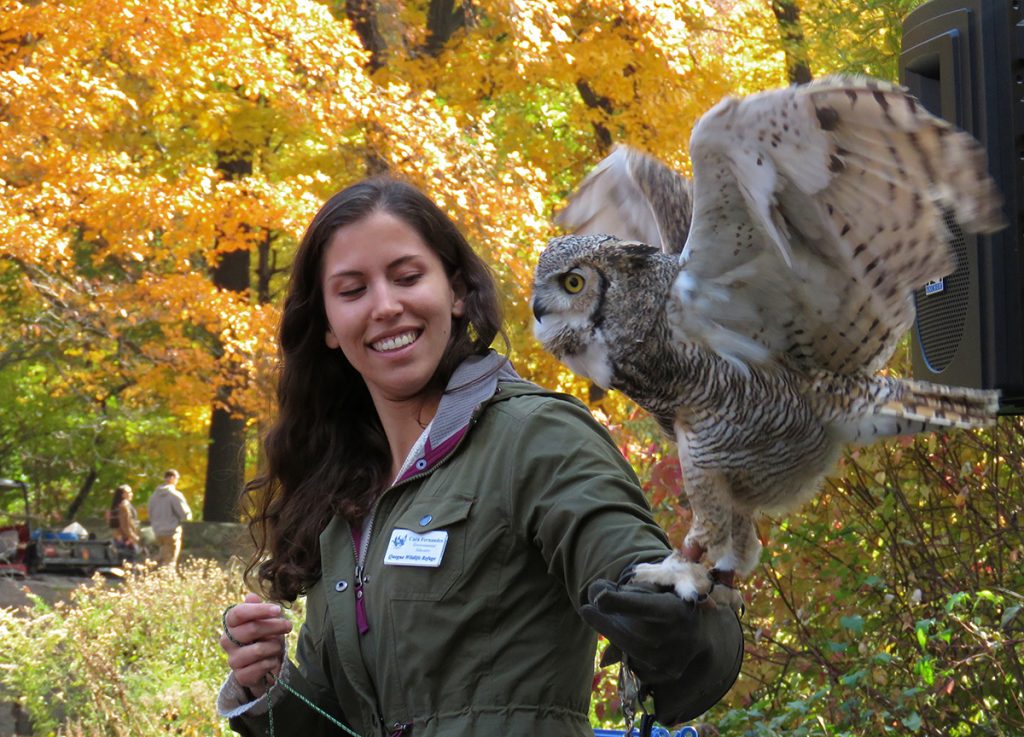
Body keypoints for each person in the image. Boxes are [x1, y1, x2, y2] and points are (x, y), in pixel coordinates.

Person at [216, 178, 743, 737]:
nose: (386, 306)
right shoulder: (345, 491)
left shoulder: (535, 435)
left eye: (407, 277)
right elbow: (344, 723)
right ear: (325, 324)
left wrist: (669, 609)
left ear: (457, 291)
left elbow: (640, 574)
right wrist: (265, 687)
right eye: (352, 290)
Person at [147, 469, 192, 567]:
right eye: (177, 478)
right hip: (171, 532)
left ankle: (150, 573)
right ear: (172, 478)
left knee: (161, 556)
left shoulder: (153, 497)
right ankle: (167, 579)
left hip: (158, 532)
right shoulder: (174, 495)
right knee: (170, 561)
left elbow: (150, 513)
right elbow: (185, 514)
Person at [108, 483, 141, 559]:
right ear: (122, 495)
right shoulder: (124, 506)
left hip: (120, 538)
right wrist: (133, 537)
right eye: (129, 492)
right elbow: (125, 525)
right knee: (129, 561)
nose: (131, 494)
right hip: (126, 539)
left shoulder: (119, 505)